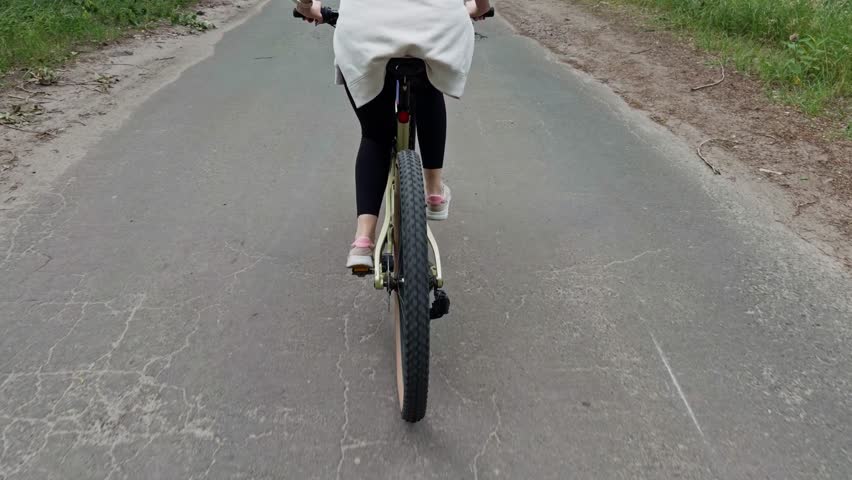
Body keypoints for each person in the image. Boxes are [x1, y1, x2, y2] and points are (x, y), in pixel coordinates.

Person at [295, 0, 491, 269]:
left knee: (375, 134)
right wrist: (477, 8)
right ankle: (434, 191)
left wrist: (308, 8)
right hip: (437, 25)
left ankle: (363, 241)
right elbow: (480, 5)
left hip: (365, 30)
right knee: (429, 75)